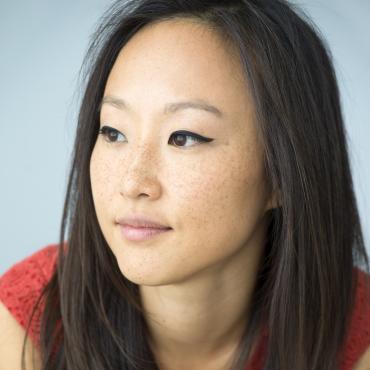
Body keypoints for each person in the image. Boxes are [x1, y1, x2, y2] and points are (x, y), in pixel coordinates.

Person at [1, 0, 369, 369]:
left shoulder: (357, 335)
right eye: (113, 132)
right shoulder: (33, 316)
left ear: (282, 176)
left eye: (184, 137)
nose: (132, 183)